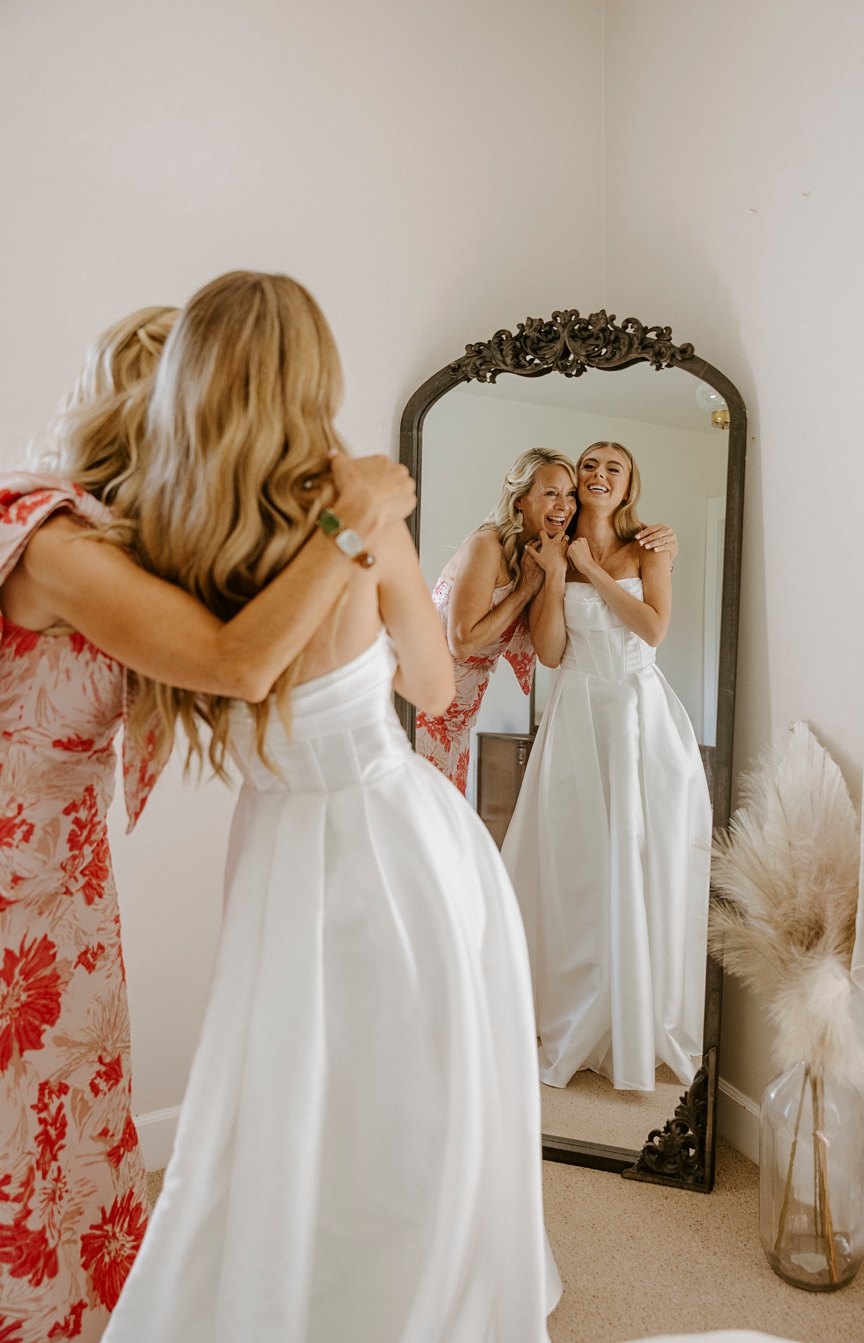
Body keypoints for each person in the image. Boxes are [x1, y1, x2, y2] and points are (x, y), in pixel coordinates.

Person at [101, 272, 555, 1341]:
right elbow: (436, 690)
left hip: (278, 840)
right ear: (315, 373)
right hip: (390, 836)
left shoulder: (171, 525)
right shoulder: (357, 512)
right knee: (412, 1099)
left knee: (291, 1085)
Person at [0, 306, 414, 1342]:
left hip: (58, 882)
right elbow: (236, 664)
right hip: (15, 888)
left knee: (62, 1133)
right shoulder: (54, 543)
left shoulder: (112, 545)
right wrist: (352, 521)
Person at [505, 440, 711, 1092]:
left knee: (640, 860)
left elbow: (652, 629)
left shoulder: (652, 547)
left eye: (610, 468)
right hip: (575, 716)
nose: (596, 475)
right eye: (588, 465)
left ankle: (639, 1019)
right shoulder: (552, 547)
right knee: (576, 867)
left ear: (628, 486)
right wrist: (554, 572)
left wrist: (592, 570)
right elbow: (548, 650)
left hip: (637, 717)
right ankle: (571, 1009)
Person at [415, 447, 676, 795]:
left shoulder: (541, 553)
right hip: (423, 701)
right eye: (550, 493)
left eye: (569, 495)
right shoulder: (487, 545)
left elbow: (611, 525)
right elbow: (461, 641)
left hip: (459, 713)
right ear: (519, 499)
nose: (563, 505)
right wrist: (524, 590)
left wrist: (665, 546)